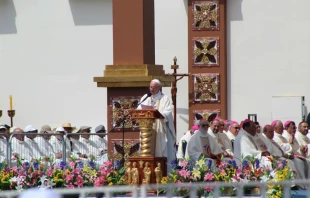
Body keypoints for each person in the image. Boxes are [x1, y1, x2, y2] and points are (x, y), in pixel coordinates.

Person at [137, 79, 176, 173]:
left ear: (159, 87)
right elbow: (138, 108)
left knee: (159, 150)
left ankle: (161, 172)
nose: (151, 89)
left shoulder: (164, 98)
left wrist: (157, 112)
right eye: (150, 87)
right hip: (147, 128)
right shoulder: (146, 97)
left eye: (154, 87)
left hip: (159, 128)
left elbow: (168, 113)